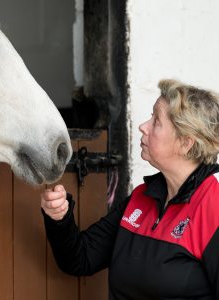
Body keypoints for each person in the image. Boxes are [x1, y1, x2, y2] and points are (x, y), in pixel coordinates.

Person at [40, 79, 219, 300]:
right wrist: (59, 218)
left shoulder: (213, 209)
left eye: (156, 121)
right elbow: (81, 259)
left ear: (185, 143)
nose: (143, 126)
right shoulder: (141, 198)